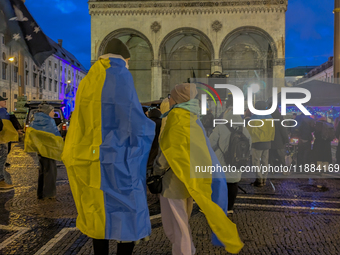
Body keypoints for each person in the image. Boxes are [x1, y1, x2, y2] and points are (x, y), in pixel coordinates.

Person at [62, 38, 155, 255]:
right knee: (128, 209)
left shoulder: (88, 79)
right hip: (119, 158)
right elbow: (131, 118)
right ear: (124, 58)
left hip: (90, 158)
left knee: (97, 209)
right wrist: (152, 126)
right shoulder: (120, 74)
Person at [154, 83, 243, 255]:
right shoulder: (192, 117)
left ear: (178, 99)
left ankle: (184, 252)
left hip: (174, 181)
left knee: (178, 226)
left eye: (170, 95)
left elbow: (168, 151)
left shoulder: (177, 117)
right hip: (188, 179)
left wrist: (156, 171)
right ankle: (188, 250)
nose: (168, 98)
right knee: (180, 223)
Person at [209, 106, 251, 213]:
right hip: (237, 161)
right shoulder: (244, 129)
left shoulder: (220, 127)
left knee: (219, 184)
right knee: (233, 183)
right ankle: (230, 208)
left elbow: (211, 144)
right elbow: (249, 145)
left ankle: (217, 207)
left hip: (222, 161)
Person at [29, 104, 61, 199]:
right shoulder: (49, 121)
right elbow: (55, 136)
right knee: (51, 172)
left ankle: (40, 192)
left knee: (42, 171)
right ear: (47, 112)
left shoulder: (35, 120)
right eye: (52, 111)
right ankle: (49, 194)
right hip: (49, 150)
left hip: (40, 150)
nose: (54, 113)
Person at [247, 101, 275, 187]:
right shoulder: (270, 117)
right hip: (267, 142)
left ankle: (259, 180)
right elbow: (273, 130)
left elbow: (250, 131)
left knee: (256, 162)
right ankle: (264, 179)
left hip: (257, 143)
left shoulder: (254, 118)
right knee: (265, 161)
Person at [0, 96, 19, 190]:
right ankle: (1, 179)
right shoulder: (2, 112)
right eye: (3, 101)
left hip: (3, 139)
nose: (5, 102)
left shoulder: (5, 112)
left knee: (3, 157)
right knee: (2, 157)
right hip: (1, 139)